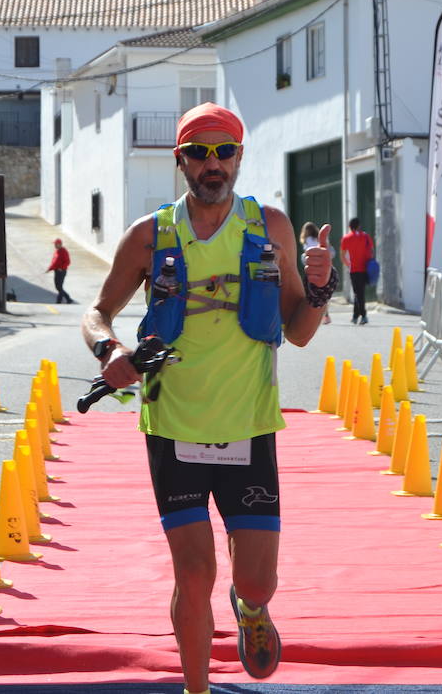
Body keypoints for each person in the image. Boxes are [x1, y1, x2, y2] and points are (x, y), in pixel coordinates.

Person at [81, 103, 337, 694]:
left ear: (240, 157)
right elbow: (97, 314)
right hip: (173, 425)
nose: (213, 164)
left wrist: (321, 283)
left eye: (224, 152)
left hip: (248, 426)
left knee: (257, 582)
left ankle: (250, 610)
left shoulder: (268, 228)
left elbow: (297, 330)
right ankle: (196, 690)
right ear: (180, 162)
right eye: (199, 153)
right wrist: (108, 352)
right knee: (193, 573)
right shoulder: (150, 237)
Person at [339, 217, 374, 325]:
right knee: (360, 293)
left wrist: (348, 264)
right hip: (365, 268)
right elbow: (371, 251)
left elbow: (342, 255)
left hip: (353, 269)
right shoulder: (366, 236)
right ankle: (361, 316)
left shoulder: (346, 238)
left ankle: (358, 316)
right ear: (358, 226)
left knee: (357, 293)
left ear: (350, 226)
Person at [298, 221, 333, 324]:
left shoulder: (307, 240)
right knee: (323, 292)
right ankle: (326, 314)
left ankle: (315, 316)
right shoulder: (321, 239)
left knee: (312, 293)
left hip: (313, 270)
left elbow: (307, 255)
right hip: (324, 268)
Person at [47, 238, 74, 304]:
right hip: (56, 271)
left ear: (60, 244)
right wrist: (50, 268)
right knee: (57, 286)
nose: (55, 245)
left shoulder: (63, 251)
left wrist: (62, 268)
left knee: (59, 286)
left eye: (56, 244)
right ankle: (68, 299)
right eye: (54, 244)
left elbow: (67, 262)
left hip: (61, 271)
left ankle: (59, 300)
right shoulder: (57, 251)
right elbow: (54, 262)